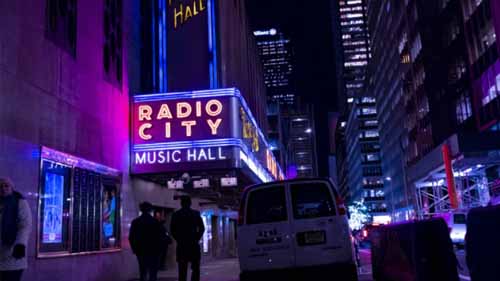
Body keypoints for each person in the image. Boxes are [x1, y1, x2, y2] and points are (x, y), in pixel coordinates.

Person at [0, 177, 32, 281]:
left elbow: (25, 225)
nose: (3, 188)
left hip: (13, 253)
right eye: (0, 186)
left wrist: (20, 244)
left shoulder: (19, 202)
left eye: (6, 186)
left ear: (12, 188)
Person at [170, 196, 205, 281]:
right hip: (193, 245)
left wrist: (178, 239)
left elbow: (172, 230)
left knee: (182, 269)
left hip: (182, 245)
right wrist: (196, 238)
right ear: (190, 203)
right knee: (196, 269)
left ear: (181, 203)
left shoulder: (176, 214)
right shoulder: (195, 214)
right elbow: (202, 228)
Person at [129, 202, 165, 281]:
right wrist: (160, 250)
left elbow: (131, 237)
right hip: (153, 251)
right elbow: (161, 237)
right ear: (150, 210)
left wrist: (134, 249)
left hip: (141, 250)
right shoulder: (155, 222)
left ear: (141, 209)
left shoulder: (135, 222)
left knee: (142, 272)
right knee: (153, 273)